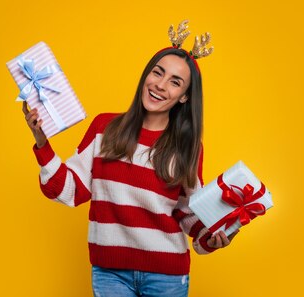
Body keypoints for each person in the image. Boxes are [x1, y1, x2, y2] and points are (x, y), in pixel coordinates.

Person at [21, 21, 238, 297]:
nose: (160, 85)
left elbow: (188, 214)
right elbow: (68, 190)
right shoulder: (105, 128)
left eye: (175, 82)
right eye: (157, 73)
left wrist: (216, 237)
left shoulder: (188, 147)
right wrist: (42, 141)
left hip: (167, 277)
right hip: (109, 273)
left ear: (184, 97)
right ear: (146, 74)